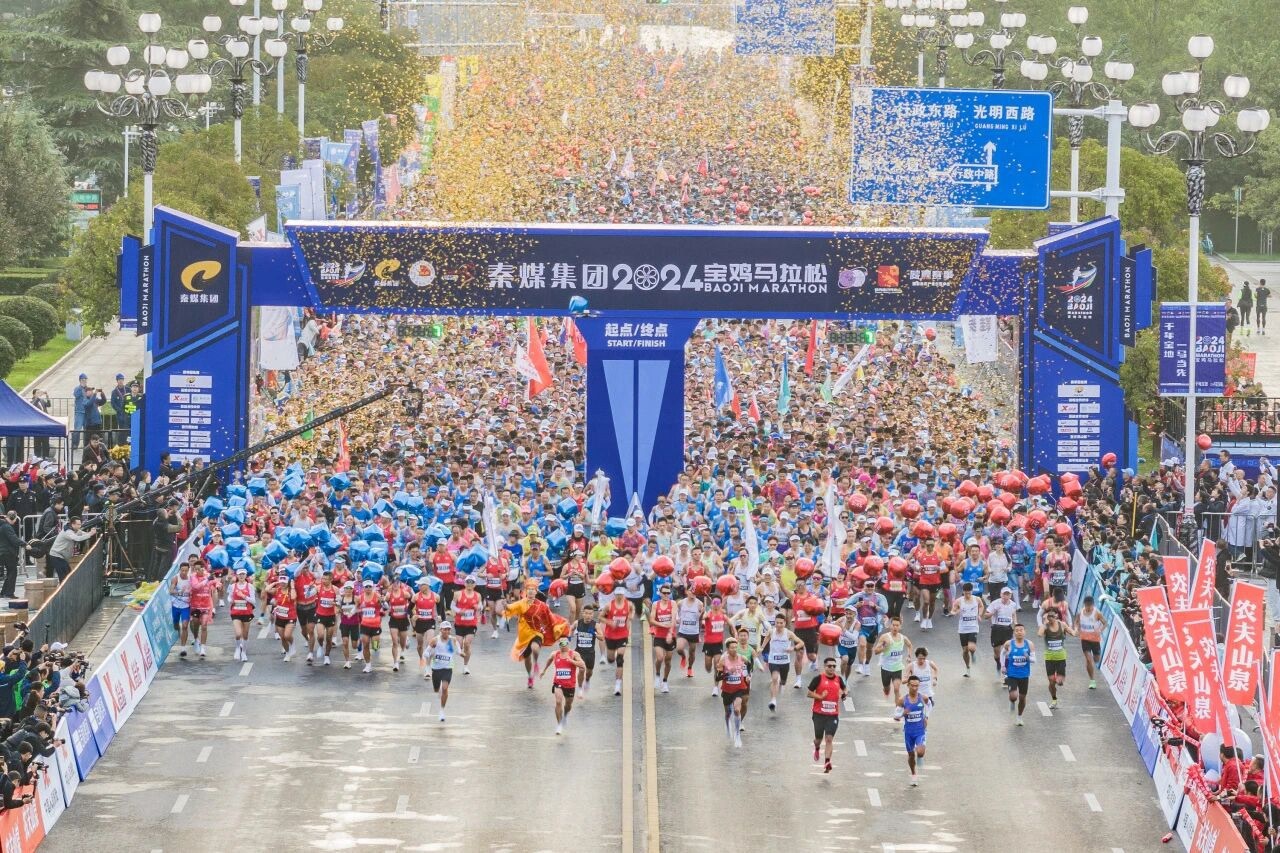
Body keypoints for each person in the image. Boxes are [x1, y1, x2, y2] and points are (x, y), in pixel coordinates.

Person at [806, 657, 847, 773]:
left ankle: (827, 762)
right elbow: (809, 693)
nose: (832, 668)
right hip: (819, 714)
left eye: (834, 666)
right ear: (825, 667)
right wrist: (820, 697)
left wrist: (844, 694)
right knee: (818, 739)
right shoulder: (818, 678)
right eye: (829, 666)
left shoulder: (838, 679)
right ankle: (817, 747)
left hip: (833, 715)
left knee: (829, 739)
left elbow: (844, 689)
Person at [540, 637, 586, 735]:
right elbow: (549, 660)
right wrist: (544, 670)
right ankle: (559, 725)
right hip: (558, 683)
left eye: (564, 645)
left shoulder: (574, 654)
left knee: (568, 705)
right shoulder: (555, 654)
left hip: (570, 685)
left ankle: (565, 715)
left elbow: (582, 665)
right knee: (558, 701)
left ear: (568, 645)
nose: (562, 647)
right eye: (561, 645)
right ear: (559, 645)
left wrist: (572, 661)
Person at [1037, 607, 1077, 709]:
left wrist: (1075, 629)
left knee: (1059, 682)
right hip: (1049, 658)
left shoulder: (1062, 625)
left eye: (1052, 616)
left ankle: (1058, 679)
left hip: (1060, 658)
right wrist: (1044, 623)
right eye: (1048, 616)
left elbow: (1073, 633)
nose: (1050, 618)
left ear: (1056, 616)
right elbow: (1039, 634)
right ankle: (1054, 699)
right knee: (1051, 682)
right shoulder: (1045, 626)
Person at [716, 636, 750, 748]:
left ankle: (737, 735)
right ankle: (727, 725)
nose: (734, 649)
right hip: (727, 689)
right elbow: (717, 677)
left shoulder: (742, 658)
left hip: (739, 688)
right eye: (732, 648)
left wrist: (748, 675)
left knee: (736, 710)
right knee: (728, 713)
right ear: (727, 649)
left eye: (736, 647)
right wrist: (728, 673)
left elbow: (749, 664)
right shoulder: (723, 660)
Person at [849, 579, 888, 677]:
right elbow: (846, 606)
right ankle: (860, 665)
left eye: (872, 586)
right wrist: (856, 605)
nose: (870, 588)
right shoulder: (858, 596)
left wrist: (875, 606)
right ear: (864, 587)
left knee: (869, 648)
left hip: (873, 626)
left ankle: (866, 665)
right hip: (861, 625)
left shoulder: (879, 597)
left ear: (874, 587)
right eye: (868, 586)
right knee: (862, 645)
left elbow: (885, 610)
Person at [896, 674, 929, 786]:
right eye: (912, 686)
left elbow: (929, 706)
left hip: (920, 730)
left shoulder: (923, 698)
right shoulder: (902, 700)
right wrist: (903, 713)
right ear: (908, 685)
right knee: (911, 755)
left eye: (917, 686)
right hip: (908, 732)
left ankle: (920, 755)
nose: (915, 688)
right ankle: (914, 774)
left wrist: (926, 717)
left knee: (920, 752)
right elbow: (896, 716)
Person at [1001, 622, 1036, 725]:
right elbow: (1002, 654)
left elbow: (1034, 660)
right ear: (1014, 633)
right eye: (1017, 630)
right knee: (1013, 696)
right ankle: (1012, 701)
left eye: (1021, 630)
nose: (1019, 632)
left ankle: (1019, 717)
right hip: (1012, 674)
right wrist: (1003, 666)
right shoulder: (1009, 644)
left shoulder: (1029, 644)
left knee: (1022, 698)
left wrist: (1028, 658)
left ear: (1024, 632)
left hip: (1024, 675)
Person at [872, 615, 912, 704]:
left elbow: (909, 645)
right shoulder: (885, 637)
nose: (895, 627)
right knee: (887, 688)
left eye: (897, 625)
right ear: (890, 626)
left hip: (897, 668)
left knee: (897, 688)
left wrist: (909, 655)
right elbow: (876, 651)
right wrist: (884, 647)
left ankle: (898, 708)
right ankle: (886, 691)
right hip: (886, 668)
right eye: (893, 625)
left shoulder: (903, 638)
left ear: (900, 627)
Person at [949, 582, 985, 677]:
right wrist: (953, 612)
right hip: (963, 628)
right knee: (965, 650)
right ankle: (968, 668)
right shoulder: (959, 601)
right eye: (966, 593)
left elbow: (981, 606)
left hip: (973, 627)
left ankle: (973, 654)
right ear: (963, 592)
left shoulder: (977, 599)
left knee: (971, 647)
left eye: (969, 593)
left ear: (972, 591)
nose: (967, 595)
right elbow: (953, 610)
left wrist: (979, 615)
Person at [602, 586, 632, 696]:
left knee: (620, 659)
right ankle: (610, 658)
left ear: (624, 595)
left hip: (622, 635)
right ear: (615, 595)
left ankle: (618, 685)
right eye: (618, 595)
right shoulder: (609, 605)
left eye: (621, 595)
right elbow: (600, 617)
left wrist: (628, 622)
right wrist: (610, 622)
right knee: (611, 659)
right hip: (610, 635)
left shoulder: (629, 605)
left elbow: (630, 615)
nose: (619, 597)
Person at [46, 516, 95, 583]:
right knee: (64, 576)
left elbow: (83, 534)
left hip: (61, 556)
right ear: (72, 524)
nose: (80, 526)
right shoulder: (68, 532)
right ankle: (63, 588)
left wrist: (91, 532)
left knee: (68, 574)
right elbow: (77, 538)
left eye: (80, 524)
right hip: (56, 555)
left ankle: (64, 586)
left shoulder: (75, 530)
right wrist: (90, 534)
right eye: (78, 524)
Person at [983, 587, 1018, 680]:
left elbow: (1013, 614)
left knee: (1008, 651)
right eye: (1004, 594)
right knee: (997, 652)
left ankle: (1006, 673)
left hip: (1008, 629)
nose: (1006, 596)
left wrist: (1015, 623)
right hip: (997, 629)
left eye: (1008, 594)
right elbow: (985, 616)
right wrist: (992, 613)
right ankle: (998, 662)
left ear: (1010, 595)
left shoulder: (1013, 604)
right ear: (1001, 594)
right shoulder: (995, 603)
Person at [451, 575, 482, 674]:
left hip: (471, 624)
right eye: (468, 582)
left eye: (471, 582)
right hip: (460, 623)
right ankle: (459, 651)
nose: (469, 584)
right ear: (464, 583)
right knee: (459, 646)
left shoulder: (478, 595)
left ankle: (465, 666)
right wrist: (459, 611)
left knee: (467, 644)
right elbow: (452, 606)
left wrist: (478, 607)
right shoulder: (458, 594)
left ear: (475, 584)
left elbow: (481, 606)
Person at [427, 622, 458, 721]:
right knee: (436, 690)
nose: (447, 631)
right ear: (441, 630)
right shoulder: (435, 640)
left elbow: (458, 650)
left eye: (448, 629)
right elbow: (426, 652)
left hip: (448, 667)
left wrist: (461, 653)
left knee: (445, 688)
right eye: (445, 629)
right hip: (436, 668)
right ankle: (439, 688)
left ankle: (442, 710)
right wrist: (428, 655)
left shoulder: (452, 640)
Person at [1074, 595, 1107, 689]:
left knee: (1096, 659)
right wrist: (1076, 629)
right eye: (1087, 606)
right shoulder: (1080, 613)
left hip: (1095, 640)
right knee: (1088, 659)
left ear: (1093, 605)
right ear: (1084, 605)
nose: (1088, 608)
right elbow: (1076, 622)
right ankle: (1092, 680)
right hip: (1085, 639)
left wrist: (1100, 630)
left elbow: (1105, 623)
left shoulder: (1097, 613)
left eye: (1090, 606)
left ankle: (1093, 660)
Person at [649, 584, 677, 693]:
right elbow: (651, 620)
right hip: (659, 635)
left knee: (668, 660)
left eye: (668, 593)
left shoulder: (673, 603)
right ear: (660, 593)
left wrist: (670, 632)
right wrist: (663, 625)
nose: (666, 595)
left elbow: (673, 619)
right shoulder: (655, 604)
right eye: (664, 593)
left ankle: (665, 681)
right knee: (660, 658)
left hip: (670, 636)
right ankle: (657, 675)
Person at [227, 566, 256, 662]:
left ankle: (243, 652)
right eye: (240, 574)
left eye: (243, 574)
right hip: (236, 612)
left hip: (247, 612)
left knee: (245, 634)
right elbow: (229, 597)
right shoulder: (233, 586)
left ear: (246, 575)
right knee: (238, 633)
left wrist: (244, 596)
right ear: (237, 576)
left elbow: (253, 601)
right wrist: (231, 600)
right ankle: (237, 648)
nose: (241, 576)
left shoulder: (250, 586)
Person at [675, 586, 704, 679]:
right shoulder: (680, 603)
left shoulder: (699, 603)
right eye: (691, 590)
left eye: (694, 590)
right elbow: (675, 612)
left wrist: (702, 613)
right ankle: (684, 656)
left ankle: (690, 668)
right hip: (683, 631)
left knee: (692, 652)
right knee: (679, 649)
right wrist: (677, 619)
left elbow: (700, 619)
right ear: (686, 591)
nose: (693, 592)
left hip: (693, 632)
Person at [570, 603, 599, 695]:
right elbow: (570, 629)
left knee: (589, 672)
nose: (588, 616)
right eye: (586, 613)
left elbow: (602, 637)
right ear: (583, 613)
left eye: (590, 614)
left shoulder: (595, 625)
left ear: (593, 614)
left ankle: (587, 680)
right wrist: (570, 635)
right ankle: (579, 688)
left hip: (590, 653)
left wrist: (594, 633)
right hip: (579, 652)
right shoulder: (577, 623)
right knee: (582, 669)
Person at [170, 559, 193, 658]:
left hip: (186, 606)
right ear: (179, 570)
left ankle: (183, 648)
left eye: (185, 570)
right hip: (176, 605)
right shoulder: (175, 578)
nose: (184, 572)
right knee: (176, 625)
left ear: (188, 570)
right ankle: (178, 629)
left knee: (185, 626)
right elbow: (171, 591)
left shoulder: (191, 579)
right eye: (182, 570)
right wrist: (180, 592)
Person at [909, 647, 939, 711]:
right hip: (917, 693)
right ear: (916, 657)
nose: (922, 660)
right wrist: (910, 680)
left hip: (928, 693)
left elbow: (936, 669)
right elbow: (905, 678)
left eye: (924, 658)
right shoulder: (912, 665)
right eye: (920, 658)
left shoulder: (929, 663)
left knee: (928, 709)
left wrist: (935, 678)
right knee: (919, 709)